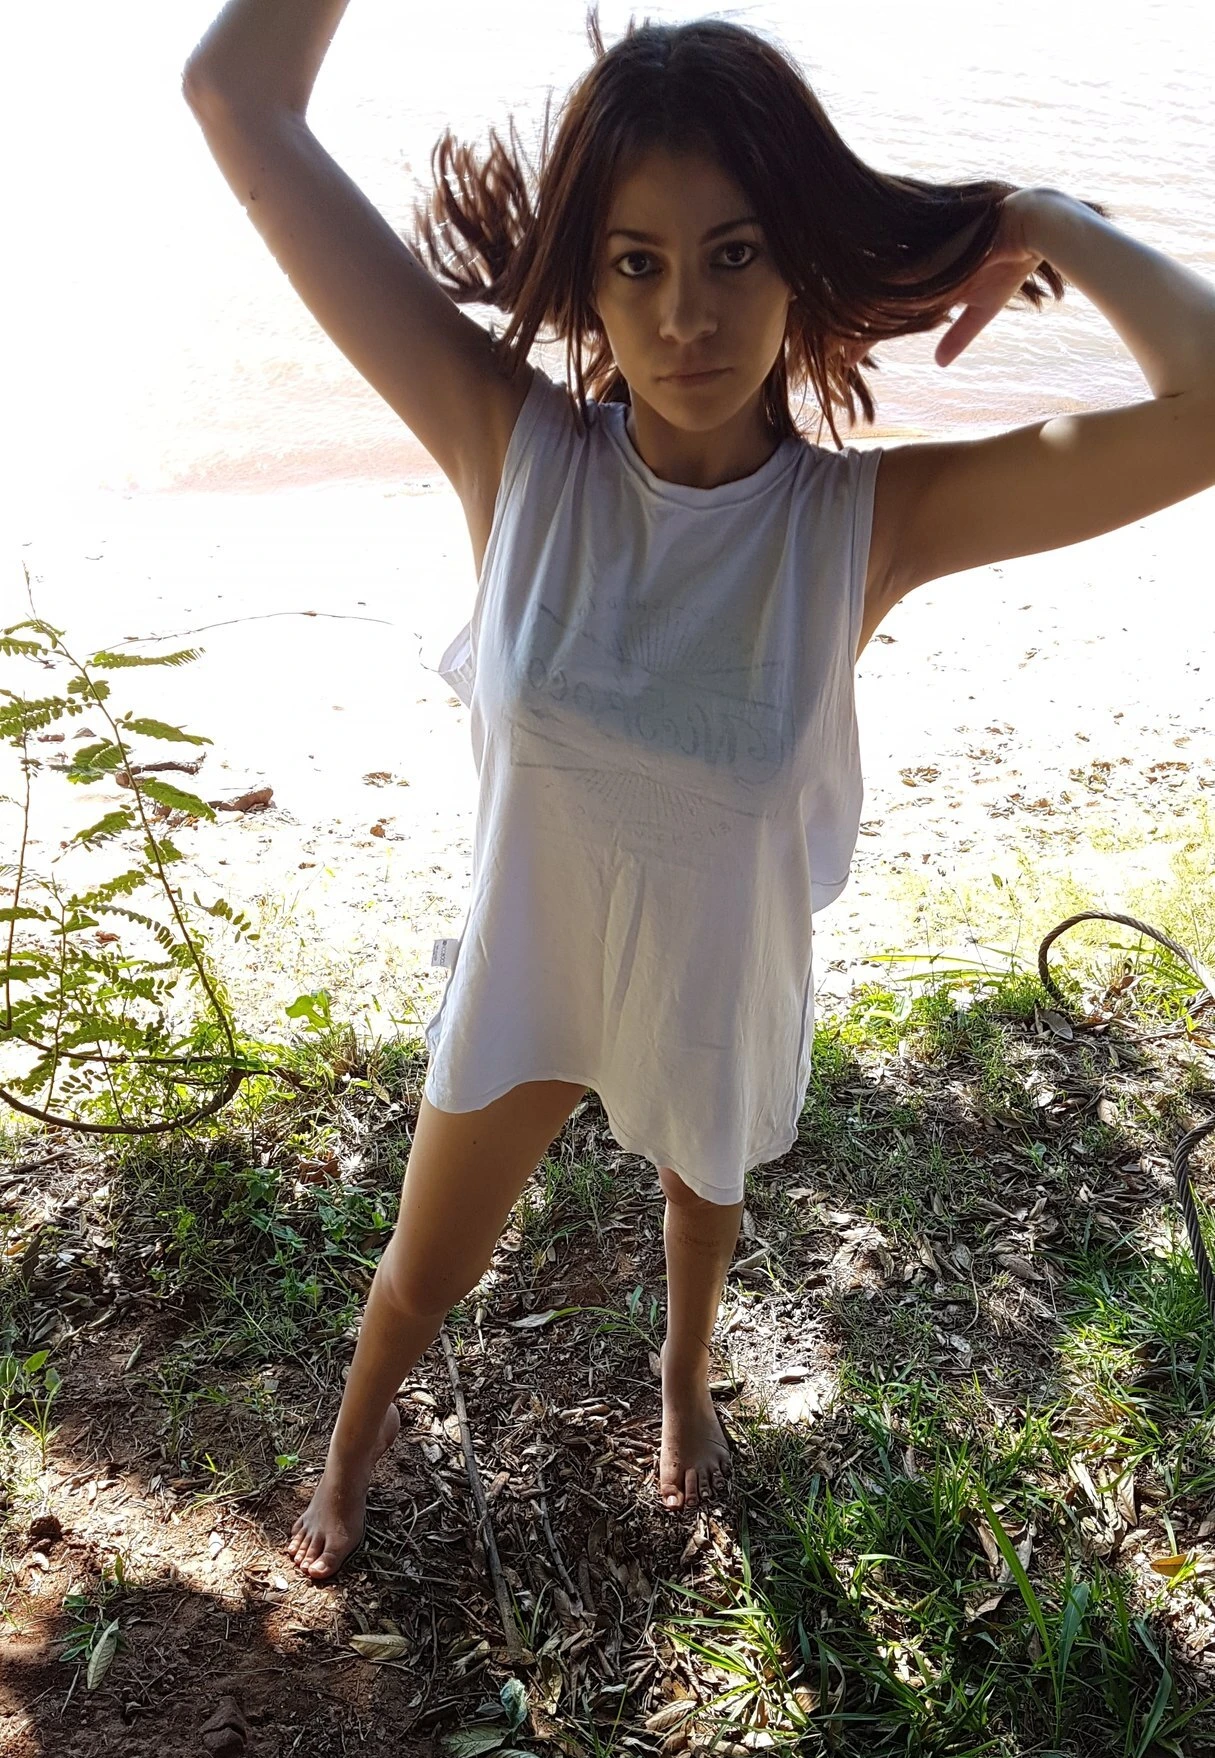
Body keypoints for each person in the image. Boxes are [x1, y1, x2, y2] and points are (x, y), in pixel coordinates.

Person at [184, 4, 1215, 1577]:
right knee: (423, 1270)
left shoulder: (867, 523)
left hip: (716, 971)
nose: (685, 317)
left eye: (734, 254)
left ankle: (682, 1379)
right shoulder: (509, 448)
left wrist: (1039, 218)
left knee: (697, 1197)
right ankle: (352, 1447)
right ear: (586, 283)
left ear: (798, 263)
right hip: (531, 971)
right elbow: (235, 97)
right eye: (635, 262)